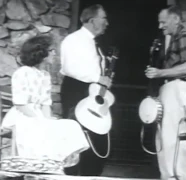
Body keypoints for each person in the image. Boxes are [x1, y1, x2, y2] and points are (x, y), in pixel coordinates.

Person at [1, 35, 90, 173]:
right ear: (41, 52)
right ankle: (38, 165)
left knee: (69, 125)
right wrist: (39, 120)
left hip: (39, 114)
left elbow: (45, 103)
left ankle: (53, 164)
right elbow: (20, 104)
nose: (54, 53)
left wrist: (47, 119)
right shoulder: (22, 73)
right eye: (52, 50)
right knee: (40, 127)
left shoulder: (45, 75)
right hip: (23, 115)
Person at [144, 6, 186, 180]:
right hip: (169, 88)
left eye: (163, 21)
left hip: (177, 88)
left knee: (173, 138)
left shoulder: (184, 35)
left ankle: (179, 177)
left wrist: (160, 73)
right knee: (164, 139)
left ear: (176, 19)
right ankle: (168, 177)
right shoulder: (171, 38)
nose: (160, 26)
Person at [59, 4, 111, 176]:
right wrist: (97, 78)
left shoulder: (94, 43)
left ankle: (90, 175)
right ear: (92, 20)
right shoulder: (74, 40)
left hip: (91, 92)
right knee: (77, 135)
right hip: (76, 89)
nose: (107, 23)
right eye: (104, 18)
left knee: (96, 133)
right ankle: (73, 175)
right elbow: (69, 68)